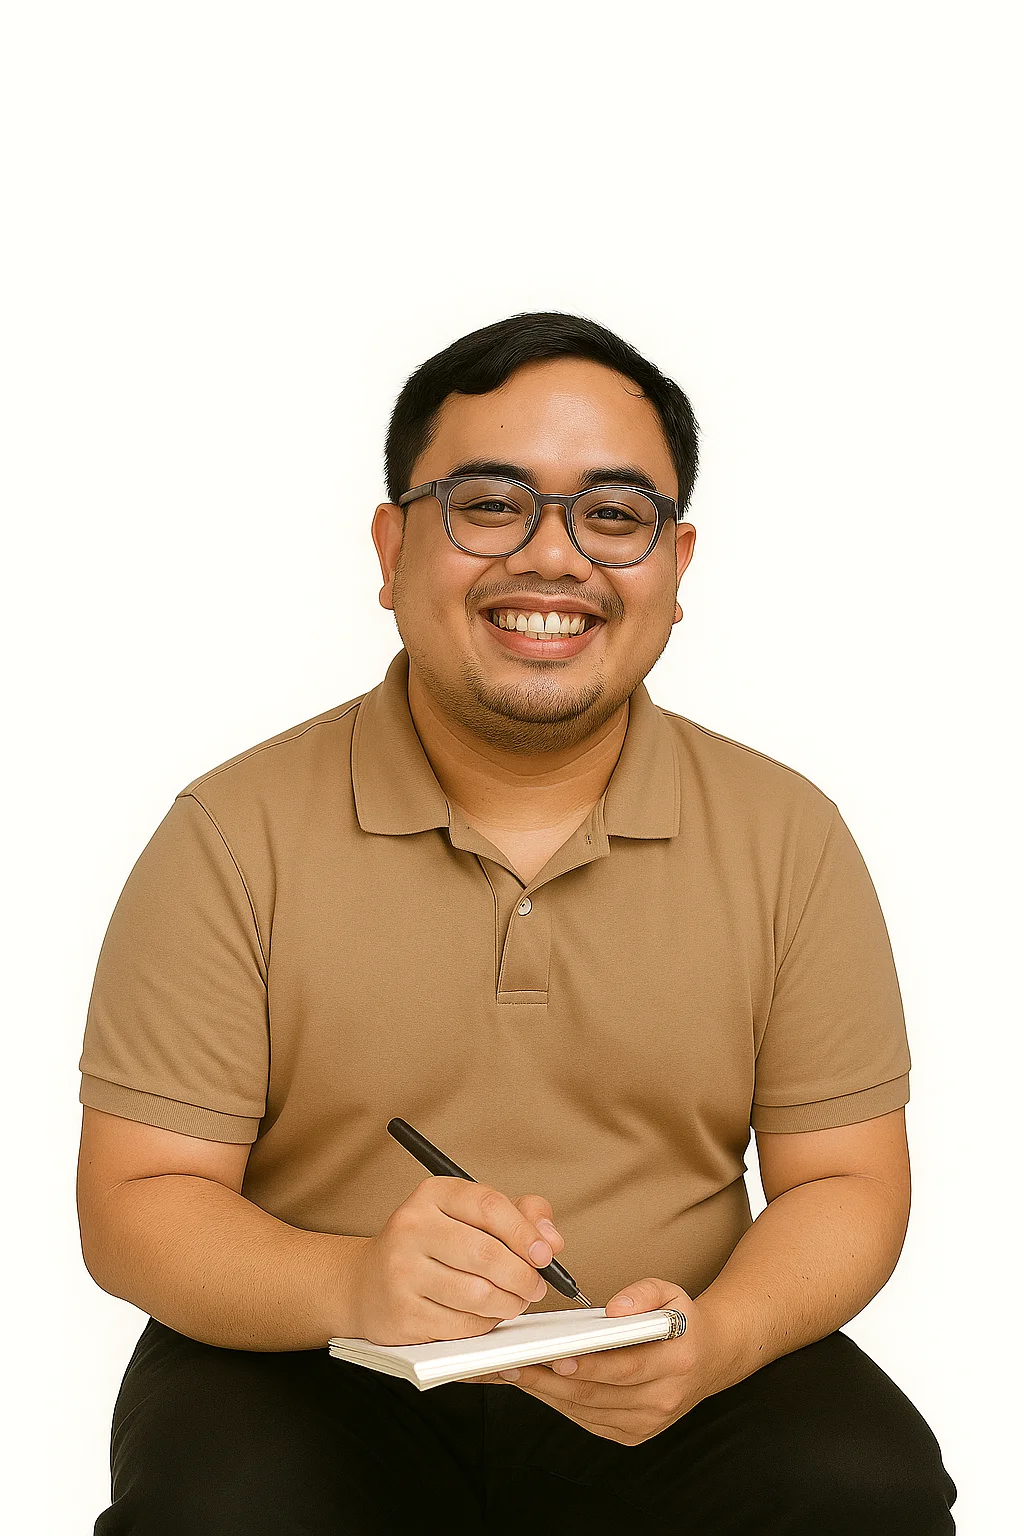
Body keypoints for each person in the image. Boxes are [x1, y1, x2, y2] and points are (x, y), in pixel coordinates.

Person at [77, 311, 957, 1534]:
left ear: (675, 566)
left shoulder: (787, 834)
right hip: (317, 1356)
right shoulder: (230, 833)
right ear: (391, 549)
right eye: (489, 505)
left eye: (613, 514)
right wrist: (354, 1282)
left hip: (674, 1359)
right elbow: (137, 1200)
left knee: (867, 1488)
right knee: (219, 1509)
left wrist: (717, 1338)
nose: (554, 558)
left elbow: (847, 1182)